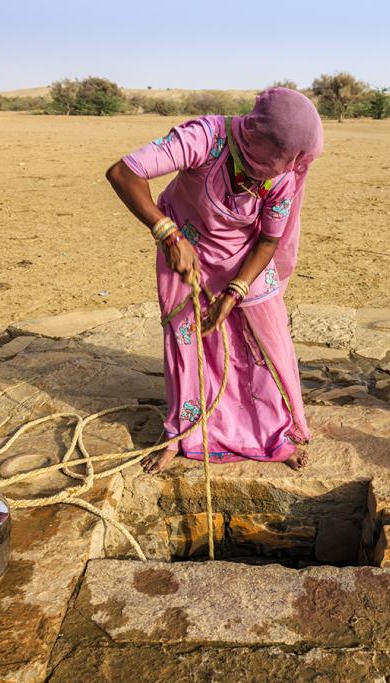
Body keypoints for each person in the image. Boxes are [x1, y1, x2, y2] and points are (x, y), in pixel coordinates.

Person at [105, 88, 323, 473]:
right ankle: (183, 433)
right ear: (257, 137)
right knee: (188, 341)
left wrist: (235, 291)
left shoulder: (285, 175)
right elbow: (124, 172)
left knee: (263, 344)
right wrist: (167, 234)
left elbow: (270, 239)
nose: (284, 168)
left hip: (248, 258)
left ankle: (273, 435)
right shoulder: (205, 138)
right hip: (183, 243)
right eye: (280, 158)